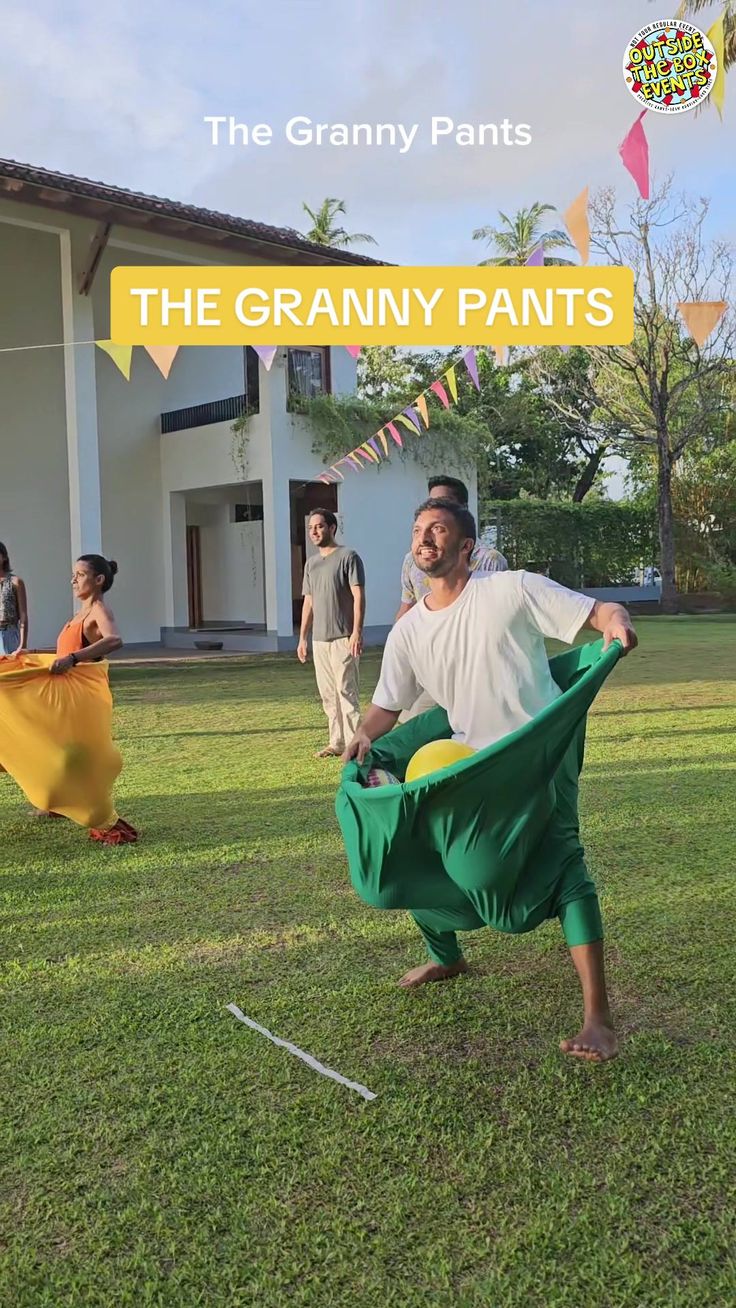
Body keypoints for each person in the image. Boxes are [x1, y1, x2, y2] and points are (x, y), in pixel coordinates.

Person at [344, 498, 637, 1062]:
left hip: (537, 757)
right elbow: (387, 706)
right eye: (418, 531)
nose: (424, 538)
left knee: (563, 864)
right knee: (419, 849)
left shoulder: (510, 590)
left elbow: (597, 612)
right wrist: (362, 734)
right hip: (472, 767)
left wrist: (616, 617)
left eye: (439, 530)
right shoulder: (408, 633)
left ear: (466, 548)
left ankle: (598, 1019)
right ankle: (447, 955)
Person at [395, 476, 507, 721]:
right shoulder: (412, 560)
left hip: (471, 668)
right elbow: (407, 608)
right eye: (431, 503)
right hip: (425, 663)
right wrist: (399, 650)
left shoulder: (489, 559)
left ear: (462, 511)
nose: (434, 511)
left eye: (444, 503)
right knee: (405, 727)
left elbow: (496, 616)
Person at [49, 554, 137, 844]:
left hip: (81, 700)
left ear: (98, 580)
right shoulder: (78, 614)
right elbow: (63, 652)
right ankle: (57, 803)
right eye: (73, 574)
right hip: (65, 697)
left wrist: (74, 658)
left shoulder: (98, 610)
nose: (73, 579)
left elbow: (114, 639)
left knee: (81, 757)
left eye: (80, 574)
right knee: (61, 751)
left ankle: (107, 821)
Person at [298, 510, 365, 760]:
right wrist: (303, 638)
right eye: (311, 528)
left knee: (346, 693)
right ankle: (336, 742)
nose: (314, 532)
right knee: (328, 695)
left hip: (343, 638)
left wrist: (357, 631)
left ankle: (354, 745)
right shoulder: (311, 564)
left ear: (332, 528)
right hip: (319, 640)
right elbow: (309, 602)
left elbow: (358, 596)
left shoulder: (349, 557)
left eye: (319, 526)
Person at [0, 541, 29, 656]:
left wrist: (23, 645)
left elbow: (23, 615)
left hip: (9, 633)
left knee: (12, 669)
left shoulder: (15, 582)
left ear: (4, 558)